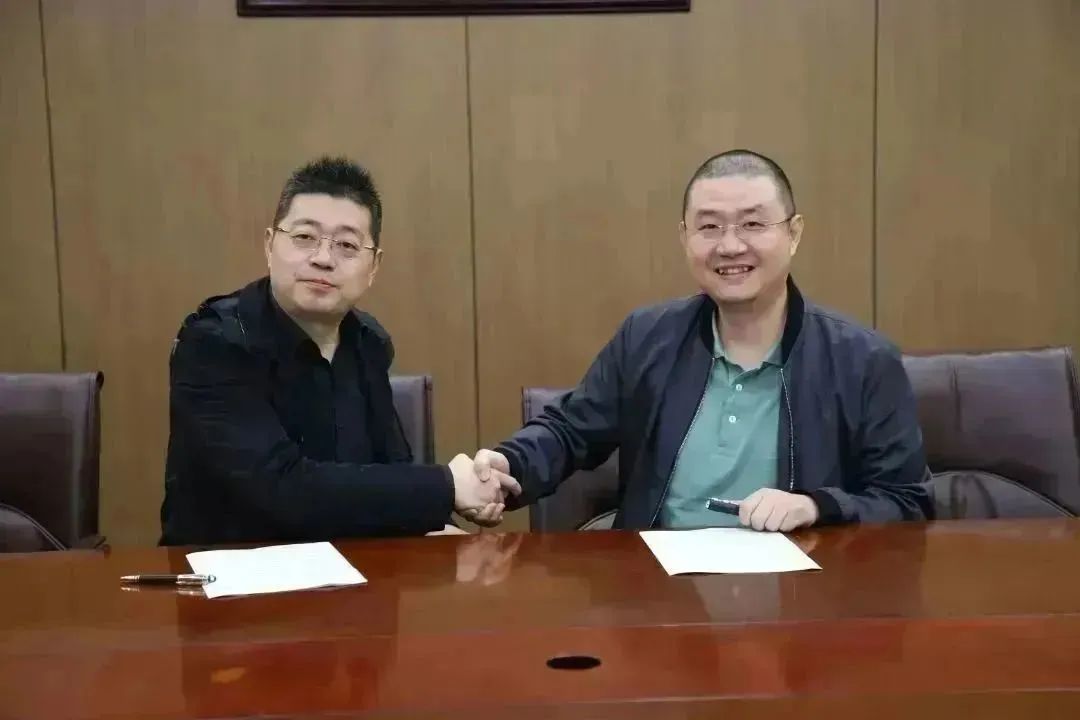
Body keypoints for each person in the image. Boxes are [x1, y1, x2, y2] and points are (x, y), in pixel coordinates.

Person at [468, 149, 931, 532]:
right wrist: (510, 466)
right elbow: (570, 431)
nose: (730, 246)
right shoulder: (648, 337)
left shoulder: (863, 361)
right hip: (656, 587)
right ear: (685, 237)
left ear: (793, 234)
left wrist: (816, 506)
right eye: (709, 227)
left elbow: (908, 502)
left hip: (800, 593)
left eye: (753, 224)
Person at [160, 156, 517, 546]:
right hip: (227, 572)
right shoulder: (213, 342)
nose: (323, 259)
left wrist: (447, 516)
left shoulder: (368, 341)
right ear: (269, 245)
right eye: (304, 237)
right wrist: (447, 487)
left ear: (373, 266)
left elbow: (391, 469)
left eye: (347, 245)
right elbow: (280, 489)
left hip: (352, 571)